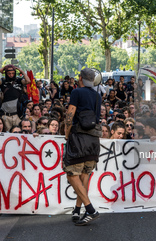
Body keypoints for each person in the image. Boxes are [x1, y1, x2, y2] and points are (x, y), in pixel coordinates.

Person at [63, 68, 101, 226]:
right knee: (84, 175)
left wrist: (66, 133)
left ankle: (91, 210)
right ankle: (77, 210)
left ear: (80, 78)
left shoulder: (77, 92)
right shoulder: (97, 95)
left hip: (79, 139)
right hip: (93, 141)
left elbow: (70, 114)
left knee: (72, 175)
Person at [0, 65, 30, 131]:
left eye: (13, 73)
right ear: (6, 74)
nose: (11, 75)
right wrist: (1, 69)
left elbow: (28, 81)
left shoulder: (19, 81)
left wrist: (21, 71)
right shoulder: (3, 82)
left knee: (18, 132)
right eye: (9, 74)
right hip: (6, 115)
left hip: (17, 114)